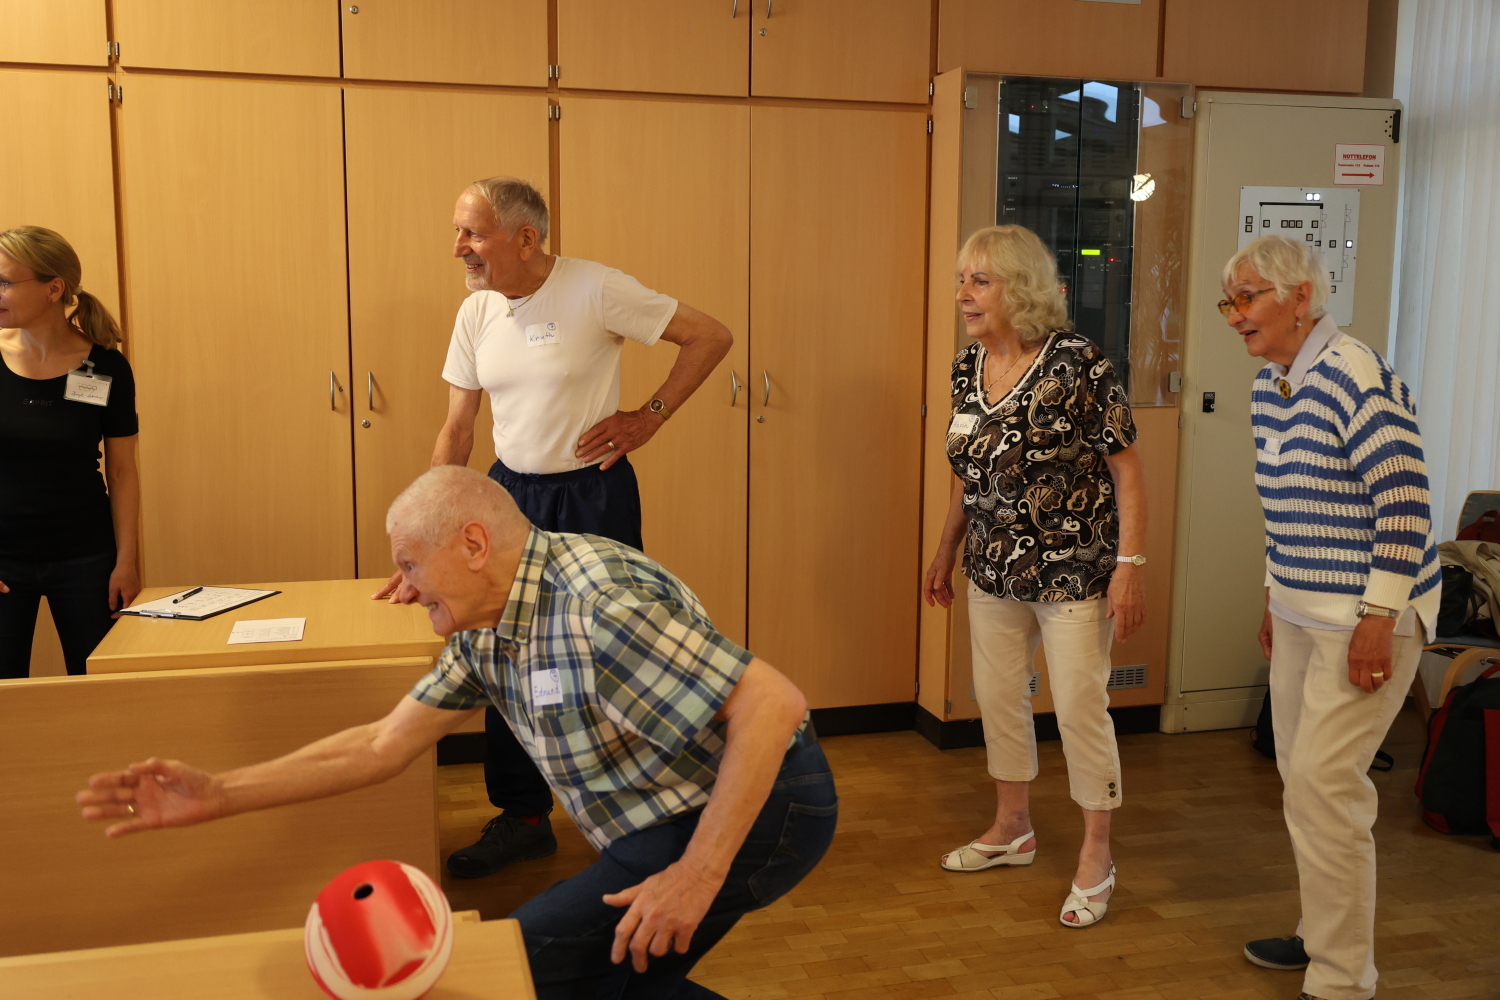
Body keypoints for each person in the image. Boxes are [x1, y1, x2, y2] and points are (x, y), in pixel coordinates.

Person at [78, 465, 836, 1000]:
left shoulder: (594, 602)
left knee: (526, 961)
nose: (402, 586)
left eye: (411, 563)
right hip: (659, 810)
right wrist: (218, 793)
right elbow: (381, 745)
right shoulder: (489, 624)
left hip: (763, 802)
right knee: (612, 979)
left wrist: (698, 876)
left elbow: (773, 704)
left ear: (474, 545)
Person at [375, 176, 734, 880]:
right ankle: (524, 816)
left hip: (592, 497)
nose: (458, 249)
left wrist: (649, 415)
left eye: (471, 234)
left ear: (526, 239)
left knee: (613, 651)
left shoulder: (594, 288)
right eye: (458, 233)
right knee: (507, 658)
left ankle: (649, 813)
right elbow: (457, 428)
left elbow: (709, 336)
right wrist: (419, 546)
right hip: (508, 501)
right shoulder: (476, 312)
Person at [1224, 235, 1439, 1000]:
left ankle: (1345, 977)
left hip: (1366, 618)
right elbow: (1285, 510)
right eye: (1232, 300)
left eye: (1248, 297)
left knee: (1324, 786)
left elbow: (1406, 505)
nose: (1235, 315)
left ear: (1300, 298)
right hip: (1300, 610)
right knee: (1300, 783)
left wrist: (1380, 615)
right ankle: (1321, 936)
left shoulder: (1358, 378)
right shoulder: (1270, 385)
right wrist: (1271, 595)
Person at [922, 225, 1146, 929]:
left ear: (1018, 288)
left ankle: (1097, 856)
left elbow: (1127, 470)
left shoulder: (1079, 364)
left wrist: (1130, 567)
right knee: (998, 698)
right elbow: (967, 471)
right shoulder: (968, 367)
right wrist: (944, 549)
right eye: (962, 279)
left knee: (1080, 709)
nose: (963, 293)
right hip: (992, 569)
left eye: (979, 281)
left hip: (1075, 571)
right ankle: (1012, 828)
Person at [0, 226, 139, 677]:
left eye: (4, 282)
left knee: (98, 691)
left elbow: (121, 473)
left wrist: (127, 563)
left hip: (87, 560)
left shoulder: (106, 367)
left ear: (53, 288)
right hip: (3, 562)